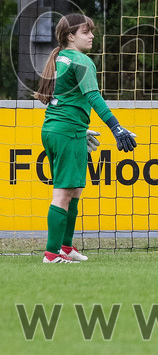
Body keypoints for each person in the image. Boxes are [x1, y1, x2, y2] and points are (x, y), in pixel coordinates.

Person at [34, 13, 138, 264]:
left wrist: (81, 128)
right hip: (66, 130)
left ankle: (66, 248)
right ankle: (51, 254)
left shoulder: (61, 57)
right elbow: (94, 97)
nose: (92, 36)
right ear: (70, 36)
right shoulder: (81, 61)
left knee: (75, 190)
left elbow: (66, 99)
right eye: (85, 32)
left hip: (57, 128)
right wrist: (117, 128)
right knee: (62, 194)